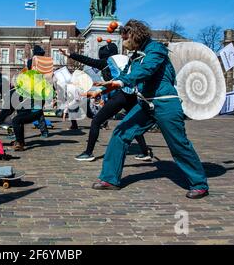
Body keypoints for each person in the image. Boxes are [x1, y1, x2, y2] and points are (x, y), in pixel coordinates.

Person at [92, 20, 209, 200]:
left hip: (165, 103)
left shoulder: (156, 50)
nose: (124, 42)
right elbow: (125, 75)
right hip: (146, 103)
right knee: (120, 133)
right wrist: (102, 89)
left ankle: (199, 184)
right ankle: (110, 179)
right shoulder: (135, 54)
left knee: (178, 144)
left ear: (134, 35)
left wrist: (121, 82)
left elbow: (147, 70)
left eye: (125, 38)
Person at [60, 45, 151, 162]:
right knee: (134, 123)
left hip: (121, 95)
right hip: (132, 95)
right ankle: (144, 152)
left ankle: (88, 153)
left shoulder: (108, 62)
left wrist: (70, 55)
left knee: (96, 121)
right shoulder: (127, 59)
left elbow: (88, 60)